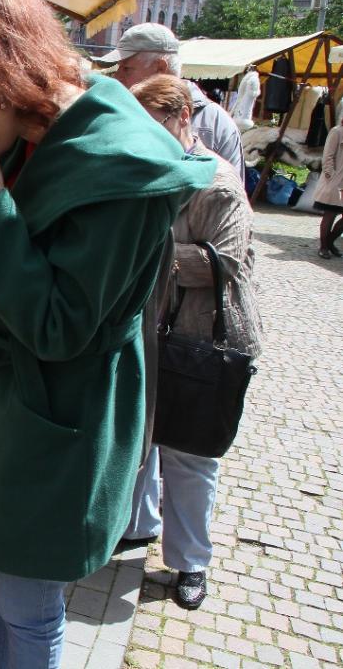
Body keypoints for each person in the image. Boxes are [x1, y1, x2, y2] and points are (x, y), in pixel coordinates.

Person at [0, 0, 216, 668]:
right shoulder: (42, 121)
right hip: (14, 410)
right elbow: (39, 256)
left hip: (59, 416)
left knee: (28, 603)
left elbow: (62, 323)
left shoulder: (120, 160)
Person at [123, 74, 262, 610]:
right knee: (145, 435)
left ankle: (190, 563)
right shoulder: (159, 168)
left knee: (190, 455)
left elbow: (220, 265)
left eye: (153, 126)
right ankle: (138, 527)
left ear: (182, 117)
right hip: (158, 329)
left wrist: (146, 253)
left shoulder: (218, 183)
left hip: (203, 337)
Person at [100, 23, 246, 184]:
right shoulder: (119, 111)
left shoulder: (216, 124)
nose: (117, 77)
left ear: (161, 68)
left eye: (126, 68)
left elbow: (232, 195)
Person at [313, 109, 343, 258]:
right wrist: (330, 176)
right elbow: (328, 156)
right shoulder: (337, 132)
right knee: (330, 213)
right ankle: (324, 246)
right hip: (335, 181)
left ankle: (330, 242)